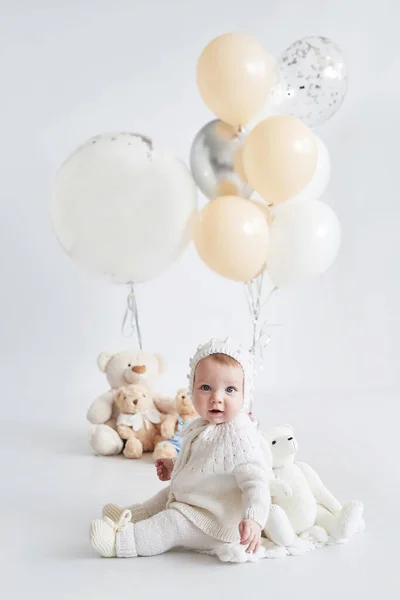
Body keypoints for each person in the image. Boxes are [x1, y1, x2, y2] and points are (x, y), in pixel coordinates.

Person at [89, 337, 271, 560]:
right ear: (192, 390)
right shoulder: (201, 426)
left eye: (230, 389)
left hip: (216, 522)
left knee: (173, 522)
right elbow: (202, 465)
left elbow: (256, 483)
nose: (216, 398)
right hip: (196, 500)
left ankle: (122, 542)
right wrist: (174, 467)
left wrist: (253, 518)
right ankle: (128, 517)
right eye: (206, 387)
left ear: (245, 395)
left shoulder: (241, 437)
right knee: (162, 498)